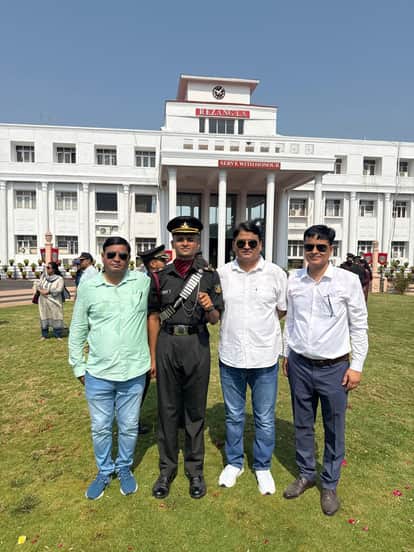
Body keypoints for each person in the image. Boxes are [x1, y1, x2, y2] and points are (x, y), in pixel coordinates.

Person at [282, 225, 368, 516]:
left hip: (334, 368)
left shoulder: (347, 281)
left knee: (334, 427)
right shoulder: (294, 279)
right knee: (302, 423)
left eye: (321, 247)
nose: (314, 251)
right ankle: (306, 473)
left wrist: (356, 366)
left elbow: (359, 326)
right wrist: (286, 353)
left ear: (331, 249)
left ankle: (329, 484)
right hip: (300, 364)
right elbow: (291, 320)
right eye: (309, 247)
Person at [69, 237, 150, 500]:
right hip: (98, 374)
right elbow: (78, 329)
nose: (117, 259)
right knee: (101, 427)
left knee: (129, 426)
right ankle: (104, 471)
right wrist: (78, 367)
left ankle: (124, 467)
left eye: (123, 255)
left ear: (129, 259)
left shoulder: (142, 282)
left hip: (133, 372)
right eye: (112, 254)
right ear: (102, 256)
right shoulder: (88, 287)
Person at [147, 216, 223, 500]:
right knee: (167, 408)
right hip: (167, 343)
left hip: (196, 343)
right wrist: (153, 356)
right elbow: (154, 316)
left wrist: (209, 307)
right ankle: (166, 470)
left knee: (195, 409)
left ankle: (195, 470)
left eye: (190, 238)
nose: (185, 243)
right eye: (180, 239)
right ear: (173, 242)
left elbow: (215, 319)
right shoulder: (160, 275)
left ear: (198, 242)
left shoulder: (209, 275)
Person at [217, 221, 287, 495]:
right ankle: (234, 463)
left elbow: (281, 310)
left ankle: (262, 466)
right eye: (241, 243)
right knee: (234, 415)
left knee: (265, 418)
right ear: (234, 245)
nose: (246, 247)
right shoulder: (223, 274)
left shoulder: (275, 274)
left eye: (252, 243)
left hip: (264, 357)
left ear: (261, 244)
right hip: (231, 356)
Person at [137, 244, 170, 435]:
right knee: (142, 382)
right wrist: (153, 355)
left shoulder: (154, 280)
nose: (165, 263)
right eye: (162, 260)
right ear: (153, 264)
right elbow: (152, 317)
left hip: (153, 337)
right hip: (147, 339)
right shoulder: (149, 284)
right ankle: (132, 420)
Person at [36, 261, 65, 340]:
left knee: (56, 316)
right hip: (43, 301)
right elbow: (38, 285)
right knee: (44, 316)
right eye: (46, 267)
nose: (47, 269)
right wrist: (40, 290)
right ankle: (44, 334)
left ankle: (57, 334)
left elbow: (59, 289)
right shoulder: (43, 277)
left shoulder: (59, 279)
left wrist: (48, 291)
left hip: (54, 302)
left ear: (54, 269)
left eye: (48, 268)